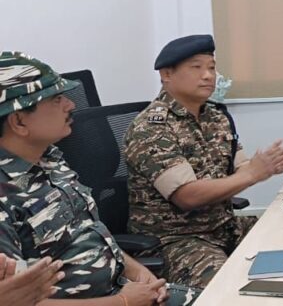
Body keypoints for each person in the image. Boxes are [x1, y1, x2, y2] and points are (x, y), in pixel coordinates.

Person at [0, 51, 196, 305]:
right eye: (57, 99)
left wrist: (138, 273)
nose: (70, 105)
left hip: (121, 289)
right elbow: (17, 303)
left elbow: (90, 233)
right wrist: (123, 302)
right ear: (18, 121)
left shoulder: (50, 159)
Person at [124, 35, 283, 288]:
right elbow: (187, 196)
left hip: (224, 227)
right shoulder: (152, 127)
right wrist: (253, 174)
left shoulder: (216, 116)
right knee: (224, 288)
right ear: (167, 74)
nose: (208, 76)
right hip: (176, 240)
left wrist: (266, 166)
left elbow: (241, 168)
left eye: (212, 67)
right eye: (196, 67)